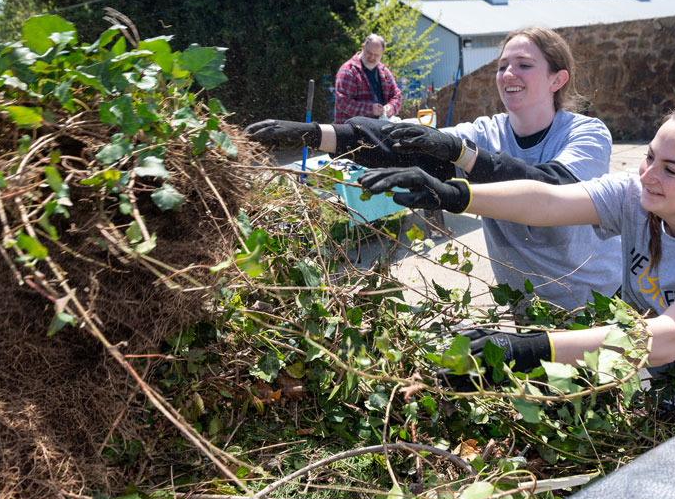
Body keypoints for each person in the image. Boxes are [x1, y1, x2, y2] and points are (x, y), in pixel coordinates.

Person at [357, 99, 675, 402]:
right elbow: (546, 201)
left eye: (671, 169)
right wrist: (454, 195)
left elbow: (668, 337)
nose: (648, 173)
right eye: (650, 155)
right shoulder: (638, 197)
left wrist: (529, 348)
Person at [246, 26, 622, 312]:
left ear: (557, 79)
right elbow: (398, 140)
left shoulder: (585, 133)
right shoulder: (486, 131)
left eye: (524, 65)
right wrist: (316, 134)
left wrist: (463, 159)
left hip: (594, 304)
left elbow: (552, 190)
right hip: (526, 308)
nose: (508, 73)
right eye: (503, 64)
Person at [333, 34, 403, 123]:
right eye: (369, 53)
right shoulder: (348, 71)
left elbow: (397, 96)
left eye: (376, 54)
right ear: (363, 47)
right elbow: (343, 102)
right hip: (351, 130)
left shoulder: (384, 71)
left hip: (379, 129)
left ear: (382, 53)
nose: (372, 57)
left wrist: (391, 107)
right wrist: (370, 110)